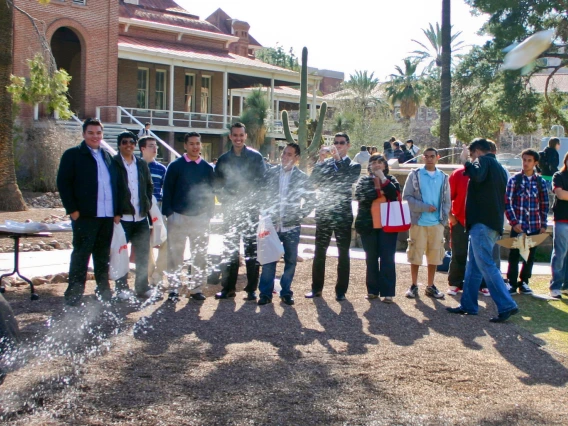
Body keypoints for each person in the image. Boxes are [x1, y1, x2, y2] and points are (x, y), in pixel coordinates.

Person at [447, 138, 519, 322]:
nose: (471, 157)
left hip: (481, 222)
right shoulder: (500, 168)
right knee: (474, 266)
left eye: (472, 154)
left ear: (478, 151)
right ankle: (469, 304)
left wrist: (466, 161)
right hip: (492, 222)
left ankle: (506, 304)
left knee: (486, 264)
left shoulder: (483, 160)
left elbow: (476, 175)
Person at [57, 118, 117, 306]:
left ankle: (103, 291)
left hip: (106, 215)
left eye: (98, 133)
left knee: (102, 255)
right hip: (85, 216)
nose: (95, 136)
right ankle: (74, 293)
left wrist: (117, 211)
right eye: (91, 133)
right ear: (84, 134)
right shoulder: (73, 155)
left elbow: (114, 184)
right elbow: (63, 183)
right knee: (81, 254)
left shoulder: (107, 156)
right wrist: (73, 210)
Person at [257, 143, 315, 306]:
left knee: (290, 260)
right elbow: (262, 195)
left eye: (289, 154)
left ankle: (286, 292)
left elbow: (312, 200)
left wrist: (299, 215)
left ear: (296, 158)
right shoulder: (271, 173)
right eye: (284, 154)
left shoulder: (302, 177)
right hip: (272, 225)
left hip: (291, 226)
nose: (285, 157)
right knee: (269, 259)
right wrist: (265, 213)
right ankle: (265, 294)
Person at [214, 122, 267, 301]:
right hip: (230, 211)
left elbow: (262, 183)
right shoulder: (223, 160)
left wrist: (252, 202)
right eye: (235, 135)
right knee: (230, 250)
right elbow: (217, 185)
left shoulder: (255, 157)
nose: (238, 138)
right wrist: (226, 200)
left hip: (250, 211)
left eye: (241, 135)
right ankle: (228, 288)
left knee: (251, 251)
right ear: (230, 137)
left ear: (245, 136)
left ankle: (251, 289)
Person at [306, 132, 361, 301]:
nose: (337, 145)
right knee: (319, 251)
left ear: (348, 145)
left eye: (341, 143)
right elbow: (313, 181)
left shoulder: (354, 165)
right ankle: (316, 288)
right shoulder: (327, 163)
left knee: (343, 252)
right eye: (335, 142)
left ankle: (341, 291)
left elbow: (347, 179)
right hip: (324, 212)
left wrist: (337, 159)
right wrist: (321, 161)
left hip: (342, 215)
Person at [162, 132, 215, 302]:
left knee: (199, 255)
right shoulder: (175, 166)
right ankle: (174, 289)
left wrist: (208, 214)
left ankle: (196, 289)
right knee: (175, 256)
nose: (195, 146)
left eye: (198, 143)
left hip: (200, 217)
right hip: (178, 216)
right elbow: (167, 190)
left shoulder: (207, 168)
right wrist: (169, 214)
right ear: (185, 146)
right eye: (191, 143)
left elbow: (210, 193)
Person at [402, 147, 450, 299]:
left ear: (437, 157)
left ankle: (430, 285)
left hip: (436, 223)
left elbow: (447, 200)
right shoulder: (415, 175)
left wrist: (443, 219)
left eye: (432, 156)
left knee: (434, 255)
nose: (429, 159)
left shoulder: (443, 177)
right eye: (427, 156)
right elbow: (407, 197)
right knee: (415, 254)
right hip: (419, 222)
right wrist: (424, 207)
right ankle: (414, 285)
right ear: (423, 158)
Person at [113, 131, 155, 300]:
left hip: (140, 218)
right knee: (121, 254)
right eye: (125, 142)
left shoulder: (141, 164)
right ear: (119, 144)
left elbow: (149, 186)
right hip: (121, 218)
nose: (129, 145)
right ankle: (121, 288)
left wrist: (147, 206)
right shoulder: (113, 163)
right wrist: (115, 212)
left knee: (143, 255)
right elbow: (111, 189)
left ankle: (142, 287)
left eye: (132, 142)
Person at [354, 154, 401, 302]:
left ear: (385, 166)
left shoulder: (391, 180)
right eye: (373, 162)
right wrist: (381, 192)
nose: (377, 164)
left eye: (380, 162)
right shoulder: (363, 180)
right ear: (369, 166)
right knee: (371, 258)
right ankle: (372, 290)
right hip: (368, 225)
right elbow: (362, 195)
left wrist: (383, 180)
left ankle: (388, 292)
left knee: (387, 258)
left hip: (388, 225)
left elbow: (395, 195)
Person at [505, 149, 549, 295]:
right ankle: (511, 282)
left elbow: (544, 203)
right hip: (519, 225)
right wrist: (513, 222)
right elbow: (508, 202)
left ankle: (524, 282)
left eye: (529, 160)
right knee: (514, 255)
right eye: (524, 160)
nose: (526, 163)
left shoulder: (540, 182)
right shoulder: (515, 180)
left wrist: (543, 224)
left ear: (535, 163)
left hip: (534, 225)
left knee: (529, 256)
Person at [447, 163, 490, 297]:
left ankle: (483, 284)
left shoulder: (487, 173)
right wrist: (451, 216)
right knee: (458, 252)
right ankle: (455, 282)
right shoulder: (458, 174)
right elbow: (447, 197)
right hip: (459, 220)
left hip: (481, 221)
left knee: (482, 255)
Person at [139, 136, 167, 285]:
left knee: (165, 242)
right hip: (142, 212)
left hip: (159, 210)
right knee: (145, 245)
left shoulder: (162, 169)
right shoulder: (135, 166)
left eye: (156, 145)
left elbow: (166, 189)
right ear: (143, 148)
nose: (155, 149)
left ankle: (158, 274)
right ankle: (148, 275)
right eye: (151, 146)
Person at [550, 152, 568, 299]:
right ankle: (555, 285)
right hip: (562, 220)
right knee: (560, 253)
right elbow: (561, 195)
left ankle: (566, 286)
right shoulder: (558, 176)